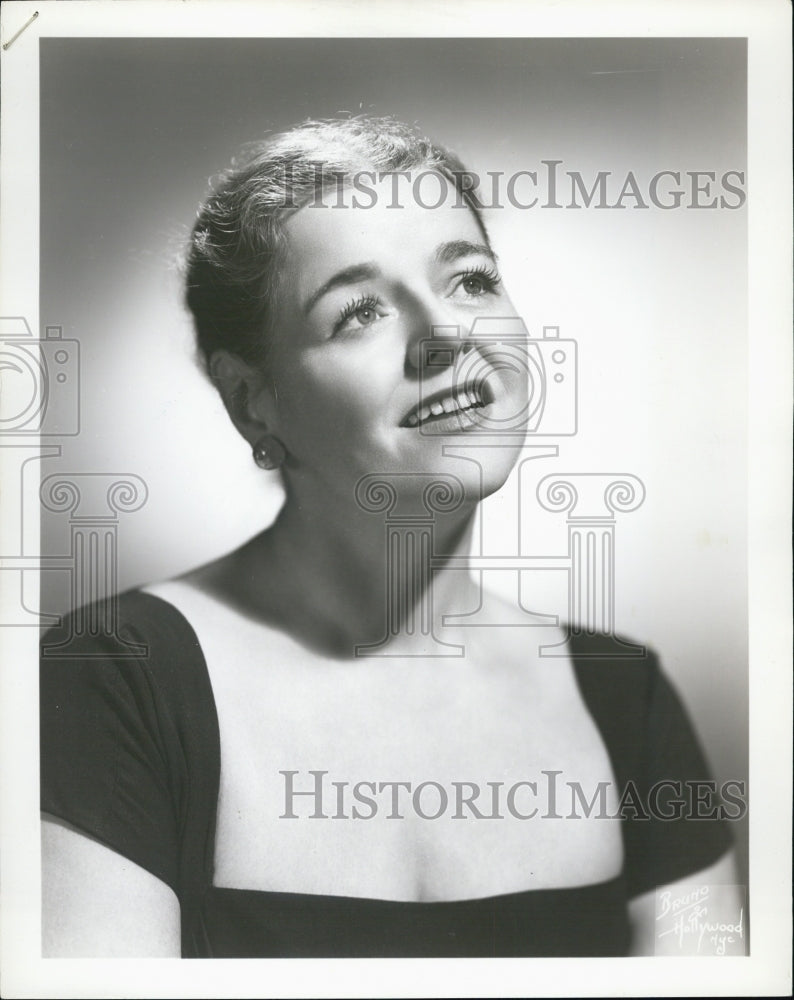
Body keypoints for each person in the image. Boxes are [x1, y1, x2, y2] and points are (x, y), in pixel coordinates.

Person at [40, 116, 739, 958]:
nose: (445, 334)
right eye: (358, 311)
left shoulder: (630, 700)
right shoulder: (114, 679)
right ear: (251, 400)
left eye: (472, 280)